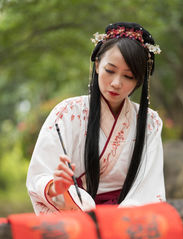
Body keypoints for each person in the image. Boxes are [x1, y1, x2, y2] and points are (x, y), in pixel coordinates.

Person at [26, 22, 165, 215]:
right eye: (110, 70)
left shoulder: (150, 122)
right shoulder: (67, 113)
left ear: (140, 80)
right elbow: (40, 174)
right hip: (76, 212)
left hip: (127, 219)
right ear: (98, 64)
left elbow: (149, 187)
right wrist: (56, 189)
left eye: (129, 76)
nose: (116, 83)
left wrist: (115, 219)